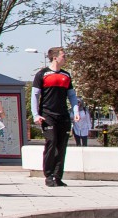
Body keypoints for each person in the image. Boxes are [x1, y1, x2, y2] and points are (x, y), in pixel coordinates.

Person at [32, 47, 81, 187]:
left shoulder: (66, 75)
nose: (65, 58)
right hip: (48, 115)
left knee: (62, 145)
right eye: (63, 56)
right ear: (55, 57)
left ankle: (58, 176)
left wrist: (76, 111)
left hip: (63, 115)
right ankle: (48, 175)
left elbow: (71, 95)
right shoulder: (42, 74)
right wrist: (36, 115)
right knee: (51, 143)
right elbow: (35, 95)